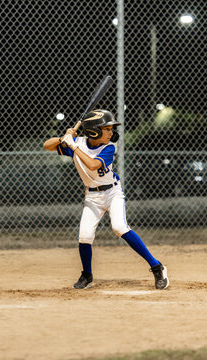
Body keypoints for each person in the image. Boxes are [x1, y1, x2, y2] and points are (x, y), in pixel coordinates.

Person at [43, 110, 169, 290]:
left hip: (112, 194)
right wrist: (64, 137)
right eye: (107, 129)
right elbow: (47, 145)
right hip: (92, 197)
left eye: (111, 129)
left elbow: (93, 165)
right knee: (85, 236)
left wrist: (73, 146)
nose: (111, 133)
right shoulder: (77, 143)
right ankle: (87, 275)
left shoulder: (108, 148)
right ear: (94, 131)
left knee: (119, 227)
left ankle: (157, 267)